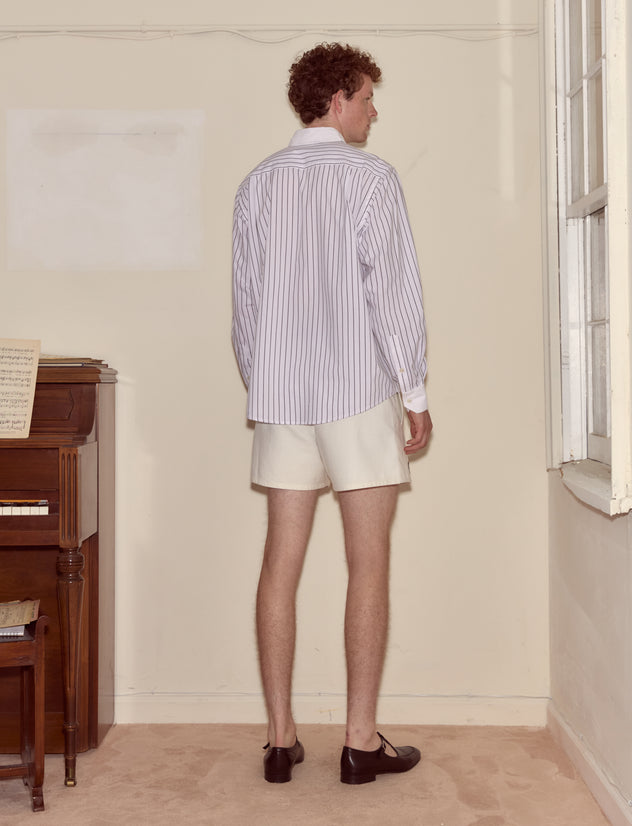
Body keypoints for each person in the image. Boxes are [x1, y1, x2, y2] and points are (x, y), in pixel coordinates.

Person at [231, 42, 432, 785]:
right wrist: (414, 392)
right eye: (369, 97)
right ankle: (358, 740)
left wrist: (268, 383)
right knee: (367, 563)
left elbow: (245, 310)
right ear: (339, 97)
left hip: (282, 399)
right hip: (358, 393)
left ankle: (281, 740)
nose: (375, 111)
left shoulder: (257, 185)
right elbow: (394, 295)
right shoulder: (370, 178)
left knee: (279, 563)